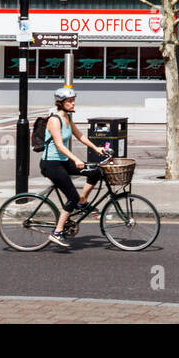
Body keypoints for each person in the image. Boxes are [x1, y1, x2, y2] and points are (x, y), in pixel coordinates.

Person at [41, 88, 112, 247]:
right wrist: (76, 158)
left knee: (95, 172)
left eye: (73, 100)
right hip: (51, 164)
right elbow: (59, 145)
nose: (73, 103)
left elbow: (80, 136)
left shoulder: (68, 117)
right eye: (69, 101)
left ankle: (82, 201)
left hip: (64, 161)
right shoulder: (54, 120)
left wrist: (96, 148)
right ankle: (57, 233)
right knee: (71, 196)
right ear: (61, 103)